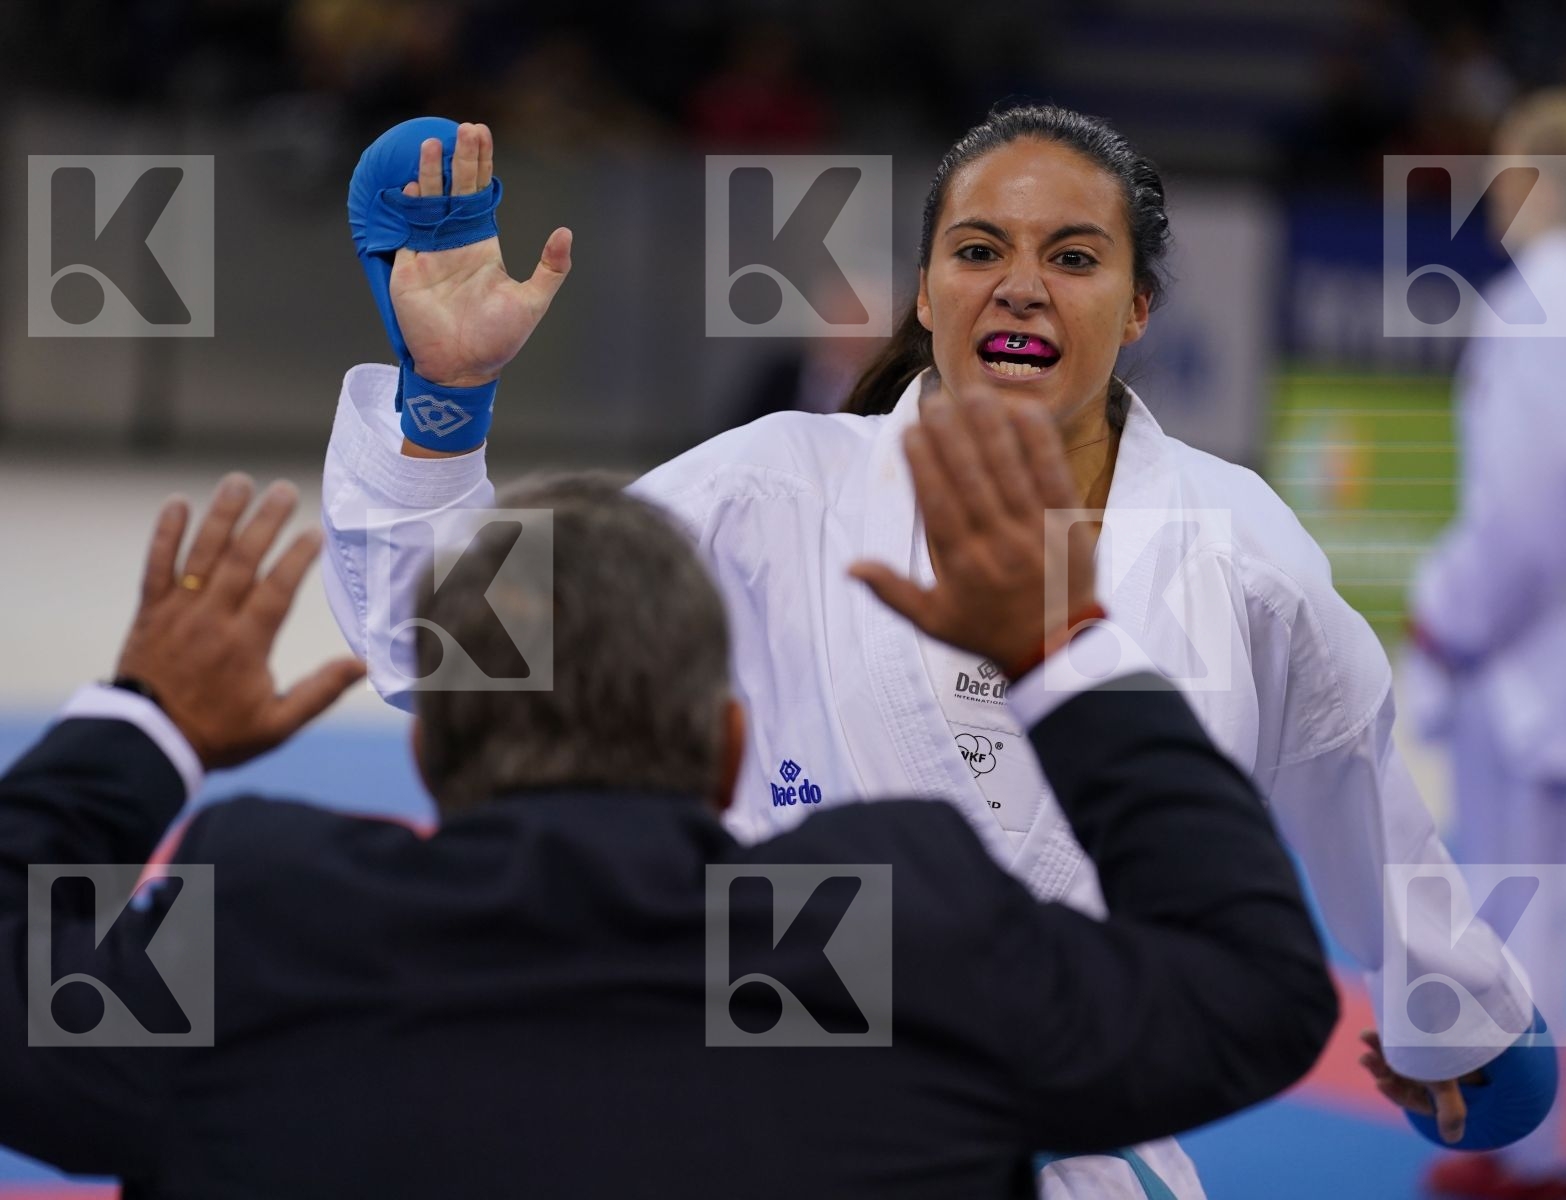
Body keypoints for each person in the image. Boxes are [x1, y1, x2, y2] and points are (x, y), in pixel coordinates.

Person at [325, 108, 1546, 1198]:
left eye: (1071, 258)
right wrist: (443, 407)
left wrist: (1459, 1027)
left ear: (1135, 308)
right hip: (752, 1122)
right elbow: (463, 662)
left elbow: (1358, 794)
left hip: (1065, 1152)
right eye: (978, 252)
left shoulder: (1237, 554)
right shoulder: (770, 492)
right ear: (923, 292)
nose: (1019, 288)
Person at [0, 394, 1338, 1198]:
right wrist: (1061, 657)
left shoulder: (266, 929)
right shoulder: (894, 939)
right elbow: (1256, 986)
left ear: (427, 759)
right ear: (723, 748)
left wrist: (143, 728)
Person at [1405, 87, 1566, 1200]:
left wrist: (1449, 623)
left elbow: (1532, 506)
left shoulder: (1540, 299)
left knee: (1513, 921)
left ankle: (1519, 1157)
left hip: (1538, 668)